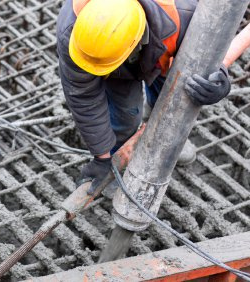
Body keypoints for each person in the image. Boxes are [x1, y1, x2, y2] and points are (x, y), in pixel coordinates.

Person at [56, 0, 231, 194]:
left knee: (178, 96)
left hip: (167, 50)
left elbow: (209, 49)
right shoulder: (73, 33)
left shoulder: (185, 15)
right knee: (125, 115)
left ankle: (166, 134)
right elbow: (83, 98)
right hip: (119, 63)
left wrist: (219, 79)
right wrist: (102, 158)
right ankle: (117, 158)